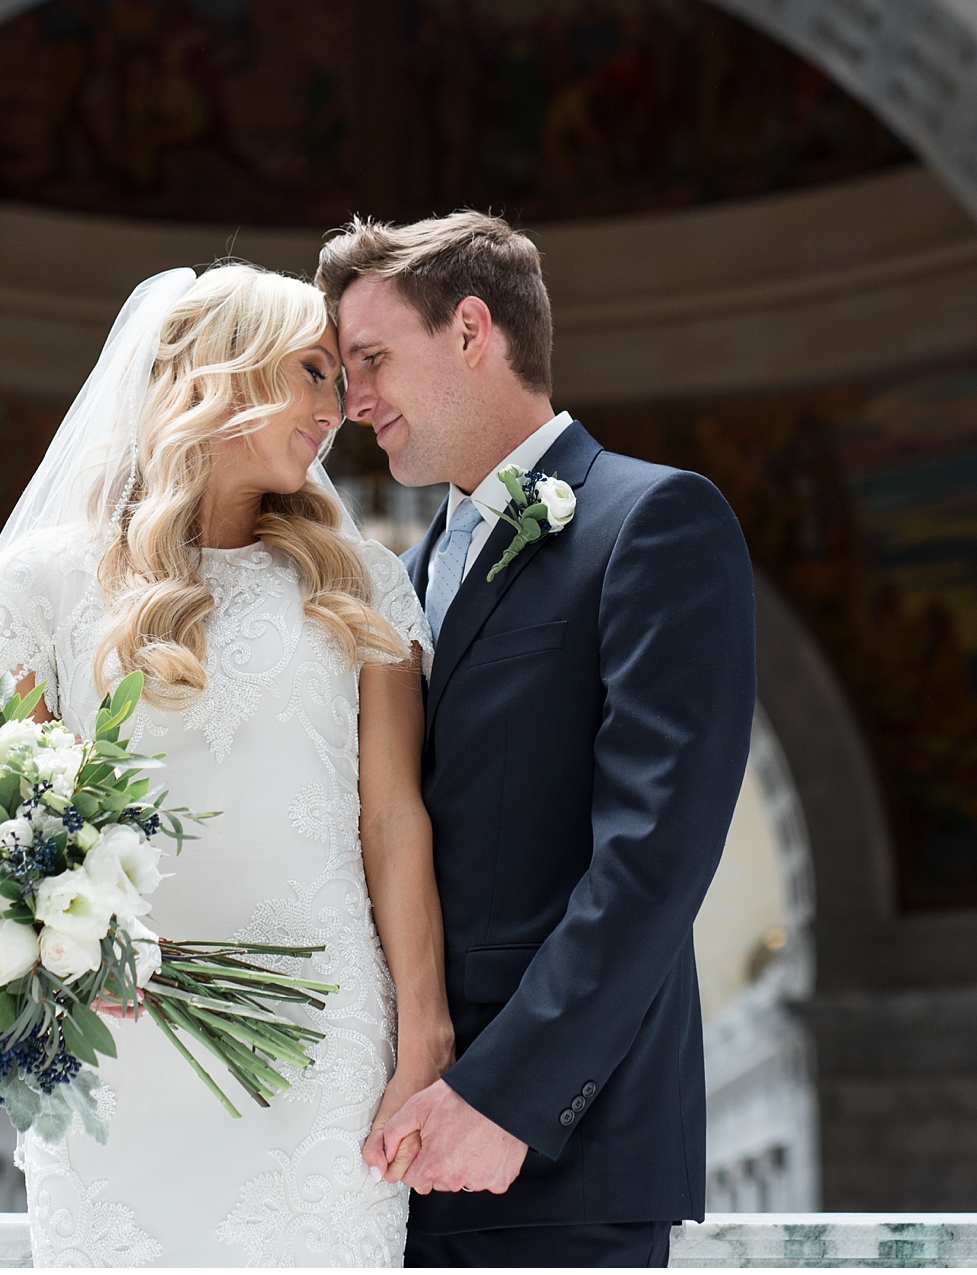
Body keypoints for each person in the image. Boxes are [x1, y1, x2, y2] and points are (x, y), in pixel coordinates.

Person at [0, 263, 447, 1267]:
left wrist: (424, 1037)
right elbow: (11, 824)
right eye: (312, 373)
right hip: (113, 1044)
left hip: (324, 1040)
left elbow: (394, 821)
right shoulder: (43, 579)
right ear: (221, 373)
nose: (337, 409)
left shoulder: (362, 583)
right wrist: (72, 947)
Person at [316, 211, 755, 1270]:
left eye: (370, 360)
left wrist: (505, 1096)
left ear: (471, 330)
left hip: (559, 1158)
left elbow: (654, 856)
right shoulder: (407, 577)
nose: (352, 401)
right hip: (390, 1160)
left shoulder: (653, 521)